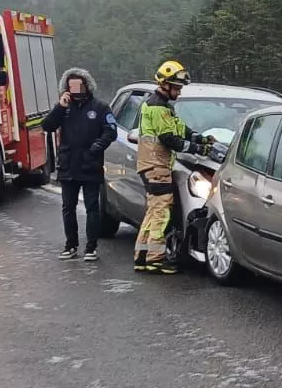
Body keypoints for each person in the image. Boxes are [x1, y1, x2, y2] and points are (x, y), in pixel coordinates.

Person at [134, 59, 212, 273]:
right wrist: (197, 149)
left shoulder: (162, 106)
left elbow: (179, 128)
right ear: (164, 84)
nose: (179, 92)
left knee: (153, 213)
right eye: (176, 87)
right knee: (162, 214)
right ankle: (155, 259)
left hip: (151, 165)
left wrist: (199, 138)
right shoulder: (158, 107)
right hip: (156, 167)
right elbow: (169, 138)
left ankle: (142, 256)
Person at [41, 67, 117, 261]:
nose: (75, 89)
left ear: (87, 85)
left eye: (78, 85)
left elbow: (111, 131)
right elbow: (47, 126)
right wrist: (60, 107)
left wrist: (98, 146)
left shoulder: (100, 107)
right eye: (71, 86)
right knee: (68, 207)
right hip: (68, 165)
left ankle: (91, 247)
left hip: (90, 165)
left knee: (92, 207)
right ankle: (71, 245)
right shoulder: (64, 108)